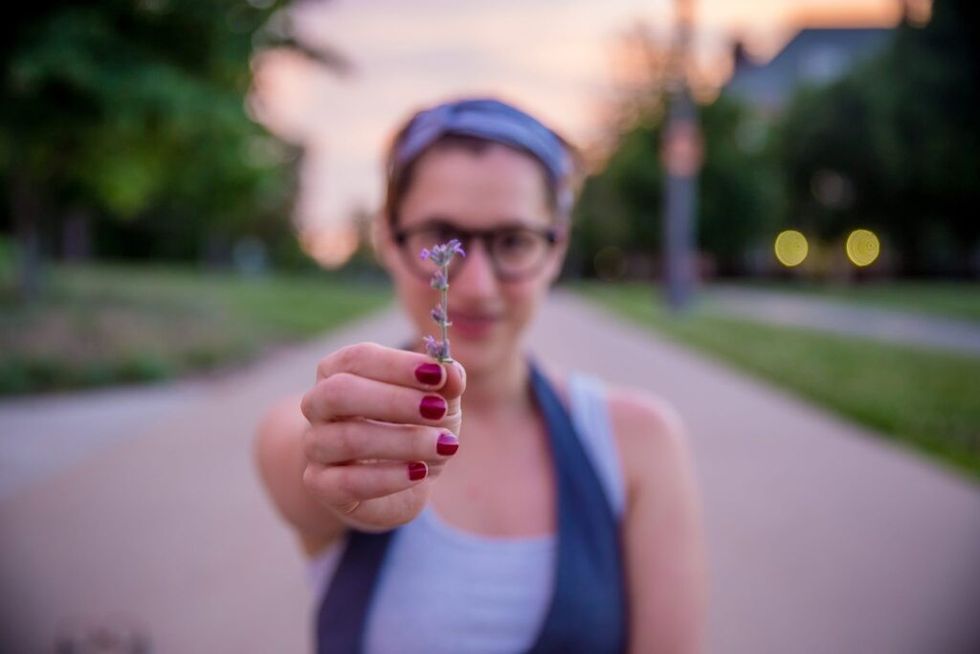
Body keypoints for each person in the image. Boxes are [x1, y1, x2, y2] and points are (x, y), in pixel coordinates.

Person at [254, 96, 707, 653]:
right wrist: (338, 463)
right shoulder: (326, 418)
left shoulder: (639, 443)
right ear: (389, 240)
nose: (474, 288)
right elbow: (297, 456)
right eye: (443, 238)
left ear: (557, 247)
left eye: (513, 242)